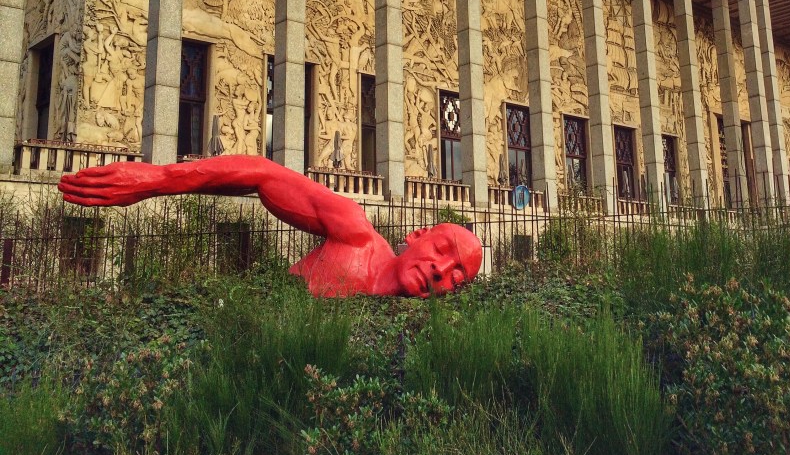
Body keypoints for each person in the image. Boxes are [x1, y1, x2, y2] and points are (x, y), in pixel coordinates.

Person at [58, 155, 483, 298]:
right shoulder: (355, 233)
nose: (441, 271)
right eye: (443, 251)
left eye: (458, 277)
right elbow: (265, 175)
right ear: (417, 235)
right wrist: (159, 179)